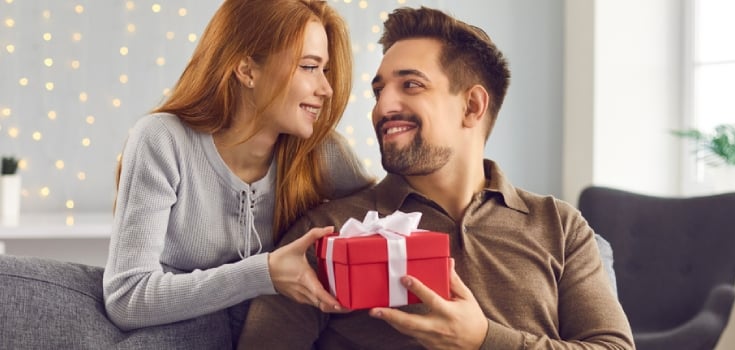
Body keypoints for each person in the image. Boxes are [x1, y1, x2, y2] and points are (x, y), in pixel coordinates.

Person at [237, 6, 634, 350]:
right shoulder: (328, 232)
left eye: (411, 85)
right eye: (379, 92)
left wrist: (484, 341)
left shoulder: (559, 226)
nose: (382, 107)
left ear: (472, 106)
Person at [102, 0, 374, 335]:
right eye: (308, 67)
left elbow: (385, 215)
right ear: (246, 70)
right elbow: (127, 298)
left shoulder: (323, 153)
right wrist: (264, 273)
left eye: (325, 70)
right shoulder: (162, 140)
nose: (326, 89)